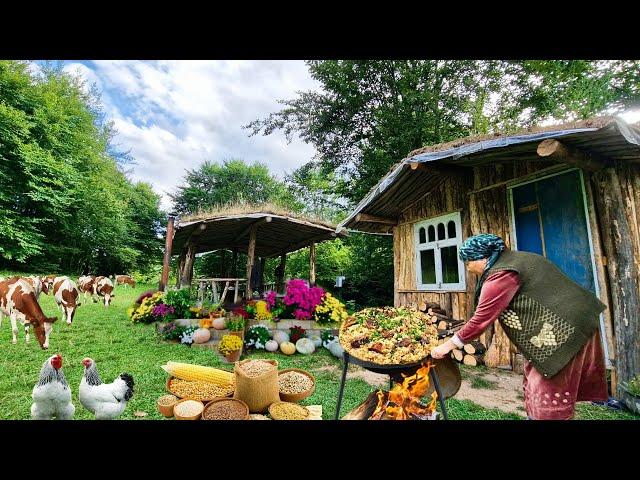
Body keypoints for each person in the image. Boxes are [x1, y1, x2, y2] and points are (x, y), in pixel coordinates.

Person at [430, 234, 608, 420]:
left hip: (563, 332)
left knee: (547, 387)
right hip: (578, 321)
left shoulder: (502, 274)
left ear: (483, 258)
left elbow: (481, 319)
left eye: (468, 262)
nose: (467, 267)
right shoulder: (520, 258)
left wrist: (447, 346)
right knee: (537, 378)